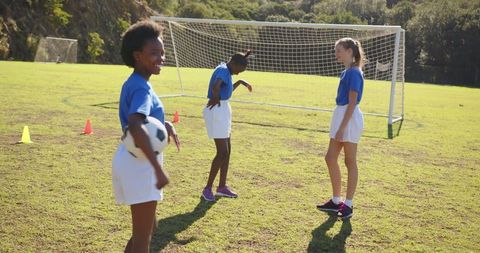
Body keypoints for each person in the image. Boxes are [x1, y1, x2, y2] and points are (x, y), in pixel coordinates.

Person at [112, 20, 180, 253]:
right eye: (154, 53)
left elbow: (144, 120)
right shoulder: (141, 87)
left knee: (146, 231)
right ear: (137, 55)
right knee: (143, 239)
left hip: (133, 160)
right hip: (140, 165)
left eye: (162, 52)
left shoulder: (136, 82)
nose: (161, 57)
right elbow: (135, 124)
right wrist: (157, 169)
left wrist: (165, 125)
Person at [317, 38, 365, 220]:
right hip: (341, 115)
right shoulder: (347, 71)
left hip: (349, 119)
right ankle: (336, 200)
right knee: (330, 158)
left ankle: (349, 204)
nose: (336, 54)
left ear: (350, 51)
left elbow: (353, 103)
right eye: (336, 50)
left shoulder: (354, 73)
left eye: (339, 50)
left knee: (350, 161)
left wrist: (341, 128)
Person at [201, 50, 253, 202]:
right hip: (217, 111)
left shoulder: (226, 70)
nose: (238, 73)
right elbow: (216, 87)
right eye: (240, 70)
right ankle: (207, 189)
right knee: (222, 152)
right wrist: (216, 98)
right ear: (235, 64)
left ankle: (222, 187)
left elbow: (226, 90)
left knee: (227, 151)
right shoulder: (224, 70)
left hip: (223, 109)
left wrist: (241, 82)